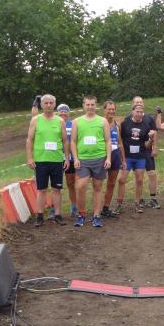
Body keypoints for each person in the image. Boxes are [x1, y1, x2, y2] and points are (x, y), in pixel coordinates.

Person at [25, 94, 68, 227]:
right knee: (41, 189)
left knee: (57, 189)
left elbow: (65, 141)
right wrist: (30, 157)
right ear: (42, 105)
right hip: (40, 160)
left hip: (57, 160)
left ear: (54, 105)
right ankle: (40, 216)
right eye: (46, 103)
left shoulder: (60, 121)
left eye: (51, 103)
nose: (49, 105)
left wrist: (66, 158)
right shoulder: (35, 120)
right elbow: (29, 140)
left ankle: (58, 215)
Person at [70, 95, 111, 228]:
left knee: (97, 187)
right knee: (81, 186)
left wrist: (108, 158)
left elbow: (108, 140)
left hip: (99, 158)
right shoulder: (76, 121)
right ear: (83, 105)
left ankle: (96, 216)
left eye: (92, 104)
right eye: (87, 104)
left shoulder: (103, 121)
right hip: (83, 159)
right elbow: (73, 141)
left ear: (96, 105)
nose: (90, 107)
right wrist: (75, 158)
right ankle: (81, 214)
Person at [116, 103, 155, 214]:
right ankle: (119, 204)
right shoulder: (125, 123)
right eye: (137, 111)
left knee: (139, 180)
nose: (139, 114)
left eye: (141, 112)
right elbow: (120, 140)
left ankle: (137, 203)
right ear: (132, 112)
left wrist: (151, 139)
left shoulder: (146, 125)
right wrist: (121, 156)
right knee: (122, 179)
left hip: (140, 157)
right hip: (127, 156)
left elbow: (147, 146)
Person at [131, 96, 161, 209]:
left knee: (152, 173)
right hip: (136, 152)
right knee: (138, 176)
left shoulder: (149, 118)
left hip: (147, 151)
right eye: (137, 102)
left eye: (141, 102)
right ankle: (140, 199)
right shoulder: (129, 118)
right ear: (133, 104)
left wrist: (155, 147)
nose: (139, 103)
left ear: (143, 104)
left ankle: (153, 198)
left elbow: (154, 133)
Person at [101, 101, 127, 218]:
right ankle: (96, 209)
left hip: (115, 155)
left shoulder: (117, 124)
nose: (111, 111)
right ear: (104, 110)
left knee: (111, 183)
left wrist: (123, 160)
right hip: (102, 155)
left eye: (113, 109)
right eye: (109, 109)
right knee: (98, 184)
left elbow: (120, 143)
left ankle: (105, 208)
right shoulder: (100, 123)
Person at [57, 103, 79, 217]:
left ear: (68, 113)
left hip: (71, 158)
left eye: (65, 111)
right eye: (61, 111)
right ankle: (54, 209)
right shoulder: (54, 124)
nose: (63, 113)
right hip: (57, 158)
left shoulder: (73, 124)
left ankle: (74, 206)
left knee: (71, 183)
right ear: (57, 113)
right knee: (56, 186)